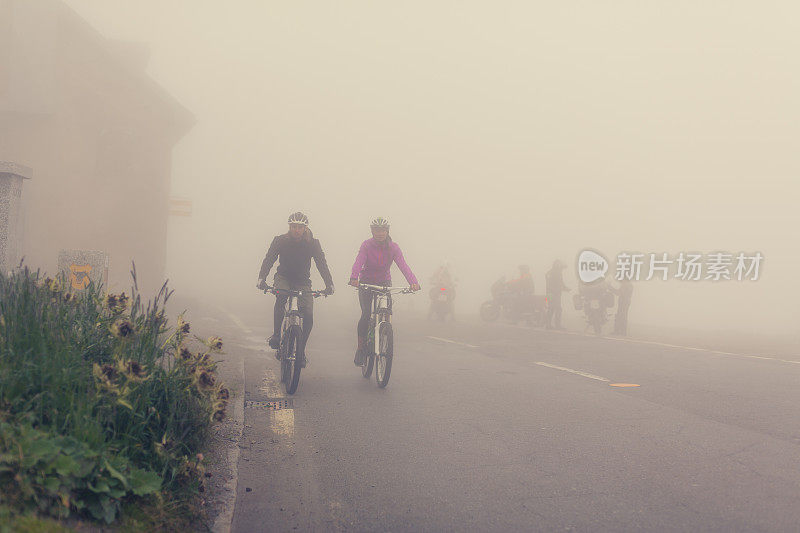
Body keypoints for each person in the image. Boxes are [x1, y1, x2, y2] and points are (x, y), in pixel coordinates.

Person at [256, 212, 334, 367]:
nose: (296, 230)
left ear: (305, 228)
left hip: (303, 281)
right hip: (283, 277)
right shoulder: (280, 241)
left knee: (309, 315)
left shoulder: (313, 243)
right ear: (289, 227)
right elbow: (269, 258)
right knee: (281, 295)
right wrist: (261, 278)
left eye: (300, 227)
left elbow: (321, 263)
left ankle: (301, 351)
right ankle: (277, 335)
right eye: (293, 227)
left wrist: (329, 284)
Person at [348, 217, 420, 365]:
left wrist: (413, 282)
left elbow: (403, 265)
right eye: (377, 230)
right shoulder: (366, 245)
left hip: (384, 282)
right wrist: (354, 277)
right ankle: (361, 349)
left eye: (383, 230)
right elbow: (359, 261)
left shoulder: (394, 247)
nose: (380, 233)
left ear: (387, 231)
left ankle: (384, 332)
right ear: (372, 231)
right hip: (366, 282)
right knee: (366, 313)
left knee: (386, 311)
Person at [545, 259, 570, 329]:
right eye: (561, 267)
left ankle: (549, 324)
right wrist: (551, 292)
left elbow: (560, 283)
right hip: (552, 294)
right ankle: (555, 325)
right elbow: (550, 284)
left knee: (552, 308)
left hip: (556, 294)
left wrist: (565, 288)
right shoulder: (552, 273)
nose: (562, 269)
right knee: (555, 308)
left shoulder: (556, 272)